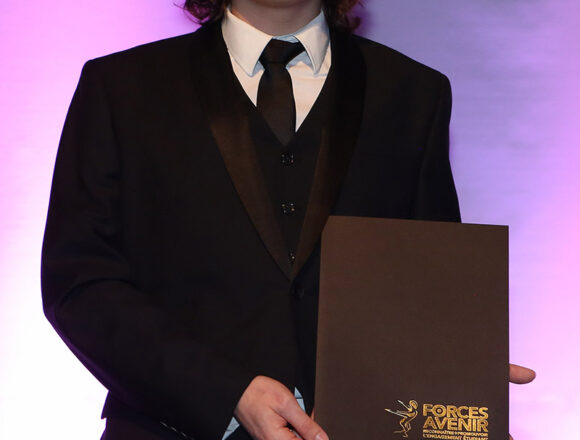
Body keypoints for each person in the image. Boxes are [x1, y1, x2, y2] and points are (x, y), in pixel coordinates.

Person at [41, 1, 535, 439]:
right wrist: (226, 394)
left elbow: (428, 288)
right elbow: (79, 284)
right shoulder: (122, 86)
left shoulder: (414, 92)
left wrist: (459, 395)